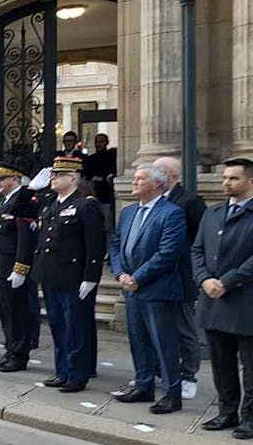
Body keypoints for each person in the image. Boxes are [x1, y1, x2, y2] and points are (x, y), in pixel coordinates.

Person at [109, 163, 187, 414]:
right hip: (130, 288)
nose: (133, 182)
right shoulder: (130, 211)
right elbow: (116, 244)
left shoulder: (171, 213)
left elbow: (168, 253)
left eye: (140, 179)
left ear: (157, 184)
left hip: (157, 289)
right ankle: (143, 385)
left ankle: (172, 394)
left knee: (164, 344)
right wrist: (121, 273)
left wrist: (138, 277)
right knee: (138, 340)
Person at [31, 157, 105, 393]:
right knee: (58, 326)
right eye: (52, 175)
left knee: (76, 328)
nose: (52, 179)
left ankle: (77, 374)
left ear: (72, 178)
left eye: (58, 175)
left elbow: (95, 244)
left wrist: (91, 276)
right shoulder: (52, 204)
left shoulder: (85, 205)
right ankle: (62, 371)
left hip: (73, 277)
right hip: (52, 275)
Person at [192, 157, 253, 438]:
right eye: (225, 177)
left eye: (233, 178)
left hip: (244, 300)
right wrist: (204, 279)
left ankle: (249, 418)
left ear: (249, 181)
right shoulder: (213, 212)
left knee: (250, 366)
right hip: (213, 299)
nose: (226, 182)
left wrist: (227, 282)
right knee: (221, 362)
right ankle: (226, 412)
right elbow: (197, 251)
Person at [153, 155, 207, 400]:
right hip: (155, 275)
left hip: (181, 274)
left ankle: (188, 374)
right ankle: (159, 370)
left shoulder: (190, 200)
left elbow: (201, 237)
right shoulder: (154, 199)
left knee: (185, 328)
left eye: (157, 172)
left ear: (171, 177)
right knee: (157, 327)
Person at [0, 161, 39, 373]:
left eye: (2, 179)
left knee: (17, 313)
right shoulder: (3, 201)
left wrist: (21, 268)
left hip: (11, 267)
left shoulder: (23, 202)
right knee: (6, 313)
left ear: (15, 179)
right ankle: (10, 349)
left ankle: (19, 354)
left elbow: (25, 238)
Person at [83, 134, 116, 227]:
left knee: (107, 224)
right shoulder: (91, 159)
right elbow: (87, 176)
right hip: (93, 195)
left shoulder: (112, 158)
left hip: (107, 196)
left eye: (101, 141)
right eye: (97, 142)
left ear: (107, 142)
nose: (98, 144)